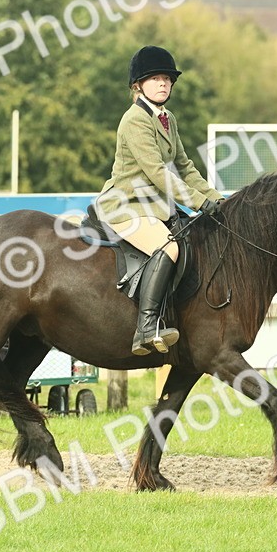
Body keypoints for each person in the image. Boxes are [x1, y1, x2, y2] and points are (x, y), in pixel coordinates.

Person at [94, 45, 225, 356]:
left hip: (155, 206)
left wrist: (217, 200)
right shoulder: (134, 120)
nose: (164, 83)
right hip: (127, 206)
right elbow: (156, 171)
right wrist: (197, 202)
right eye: (155, 79)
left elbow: (186, 167)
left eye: (167, 79)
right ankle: (147, 326)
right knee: (169, 246)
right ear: (138, 85)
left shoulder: (167, 118)